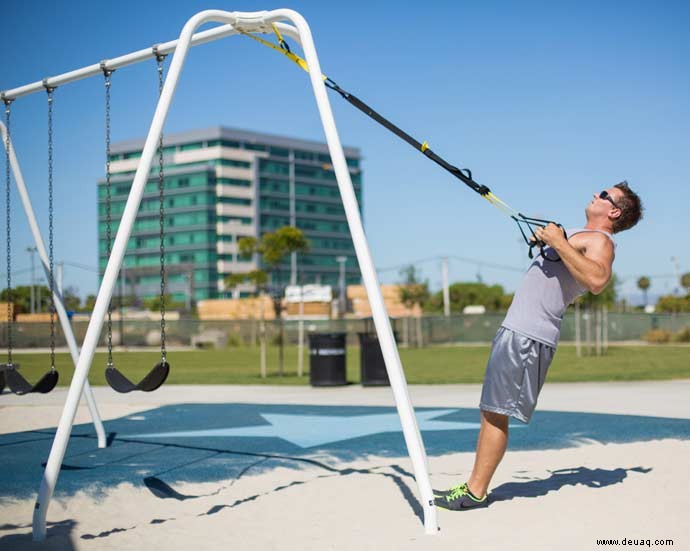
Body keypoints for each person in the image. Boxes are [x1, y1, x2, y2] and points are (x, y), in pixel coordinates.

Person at [435, 181, 643, 511]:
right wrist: (553, 240)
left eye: (604, 195)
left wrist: (558, 241)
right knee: (490, 409)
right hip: (516, 330)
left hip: (529, 335)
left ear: (614, 211)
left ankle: (475, 491)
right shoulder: (577, 234)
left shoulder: (602, 241)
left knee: (495, 413)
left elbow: (598, 281)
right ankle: (474, 487)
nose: (595, 193)